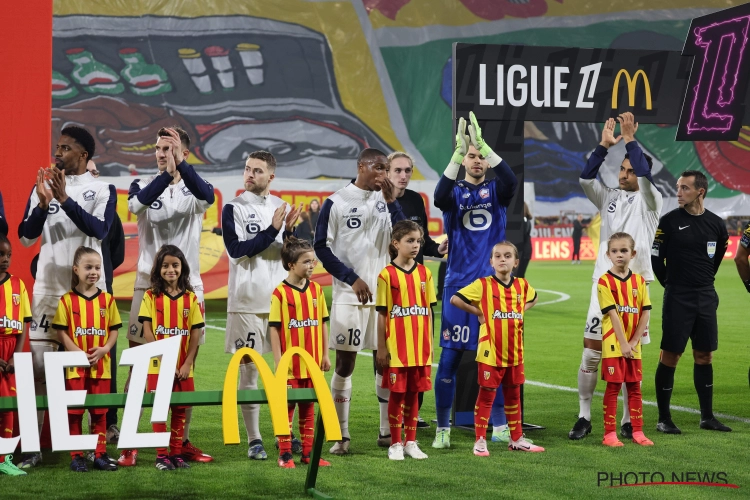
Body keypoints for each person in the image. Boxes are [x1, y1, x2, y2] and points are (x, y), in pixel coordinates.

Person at [18, 126, 115, 468]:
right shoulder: (42, 187)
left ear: (84, 155)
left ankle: (93, 448)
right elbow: (27, 237)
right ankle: (32, 449)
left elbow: (100, 230)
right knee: (37, 370)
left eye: (66, 148)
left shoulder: (103, 189)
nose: (57, 153)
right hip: (47, 289)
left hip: (87, 296)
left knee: (89, 373)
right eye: (56, 147)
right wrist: (44, 206)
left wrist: (65, 200)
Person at [120, 127, 215, 466]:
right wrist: (167, 173)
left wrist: (181, 170)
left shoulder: (195, 189)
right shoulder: (142, 185)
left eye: (169, 149)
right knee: (138, 366)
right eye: (159, 149)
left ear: (183, 153)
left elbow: (209, 197)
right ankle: (129, 443)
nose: (161, 154)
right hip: (147, 286)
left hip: (190, 290)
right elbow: (136, 206)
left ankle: (181, 441)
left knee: (185, 369)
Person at [570, 113, 663, 441]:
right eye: (621, 169)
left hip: (637, 290)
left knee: (630, 355)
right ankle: (583, 415)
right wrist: (603, 147)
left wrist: (630, 139)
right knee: (592, 351)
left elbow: (647, 178)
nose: (623, 174)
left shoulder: (652, 201)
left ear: (640, 174)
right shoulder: (608, 197)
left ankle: (627, 420)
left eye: (629, 170)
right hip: (604, 285)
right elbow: (585, 178)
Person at [433, 112, 518, 449]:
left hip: (491, 291)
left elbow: (511, 181)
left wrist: (487, 146)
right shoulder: (453, 193)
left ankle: (498, 426)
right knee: (450, 360)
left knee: (493, 362)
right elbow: (438, 196)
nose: (478, 160)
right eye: (471, 155)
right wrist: (454, 157)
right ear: (463, 160)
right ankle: (443, 429)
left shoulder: (497, 191)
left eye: (481, 155)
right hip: (457, 286)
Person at [314, 148, 404, 455]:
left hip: (383, 297)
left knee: (385, 362)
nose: (383, 173)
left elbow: (405, 235)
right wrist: (351, 278)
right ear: (361, 166)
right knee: (345, 363)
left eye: (386, 168)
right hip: (348, 297)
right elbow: (321, 248)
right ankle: (342, 435)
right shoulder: (336, 202)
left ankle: (386, 431)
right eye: (379, 167)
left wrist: (393, 203)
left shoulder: (386, 200)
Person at [222, 150, 301, 461]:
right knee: (250, 374)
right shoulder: (233, 208)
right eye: (247, 169)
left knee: (287, 371)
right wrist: (272, 230)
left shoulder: (279, 206)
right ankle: (255, 439)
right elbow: (236, 251)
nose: (249, 174)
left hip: (280, 303)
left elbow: (287, 256)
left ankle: (286, 432)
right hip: (246, 304)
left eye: (257, 170)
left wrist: (291, 233)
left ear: (271, 176)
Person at [651, 170, 730, 434]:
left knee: (705, 355)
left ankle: (707, 417)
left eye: (685, 188)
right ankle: (664, 418)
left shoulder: (716, 224)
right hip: (678, 296)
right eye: (678, 187)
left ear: (700, 192)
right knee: (671, 355)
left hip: (706, 295)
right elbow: (655, 260)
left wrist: (704, 283)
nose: (679, 192)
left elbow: (716, 257)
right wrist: (672, 286)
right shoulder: (669, 221)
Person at [450, 241, 543, 456]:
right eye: (498, 256)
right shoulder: (483, 284)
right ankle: (480, 441)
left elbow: (535, 298)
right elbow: (456, 299)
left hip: (515, 351)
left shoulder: (522, 285)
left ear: (516, 262)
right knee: (487, 394)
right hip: (490, 351)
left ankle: (517, 439)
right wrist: (479, 313)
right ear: (491, 262)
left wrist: (521, 309)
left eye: (508, 256)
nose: (503, 259)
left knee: (513, 395)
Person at [379, 151, 447, 437]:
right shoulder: (375, 198)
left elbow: (424, 241)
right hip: (390, 281)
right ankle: (388, 427)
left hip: (416, 284)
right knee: (388, 357)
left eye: (407, 170)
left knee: (417, 358)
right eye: (397, 170)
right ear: (387, 171)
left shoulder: (417, 200)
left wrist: (437, 249)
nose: (403, 175)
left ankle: (412, 420)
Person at [51, 246, 121, 472]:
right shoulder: (67, 300)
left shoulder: (108, 300)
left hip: (101, 366)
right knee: (75, 412)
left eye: (97, 267)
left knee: (99, 412)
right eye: (88, 267)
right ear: (76, 269)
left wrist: (105, 349)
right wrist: (75, 353)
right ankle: (77, 455)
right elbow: (61, 332)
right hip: (75, 368)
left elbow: (113, 330)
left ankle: (99, 453)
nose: (94, 272)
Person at [138, 245, 204, 470]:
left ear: (182, 268)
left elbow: (195, 333)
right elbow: (147, 331)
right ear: (158, 269)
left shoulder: (191, 298)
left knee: (180, 409)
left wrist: (187, 363)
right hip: (159, 365)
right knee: (160, 409)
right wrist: (163, 359)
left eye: (175, 265)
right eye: (165, 266)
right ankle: (161, 456)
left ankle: (176, 453)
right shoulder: (150, 296)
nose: (170, 270)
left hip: (184, 367)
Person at [375, 220, 436, 461]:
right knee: (397, 395)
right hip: (397, 348)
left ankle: (411, 441)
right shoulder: (386, 275)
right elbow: (382, 314)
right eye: (410, 240)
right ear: (396, 243)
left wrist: (429, 344)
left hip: (420, 348)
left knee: (414, 394)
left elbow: (429, 311)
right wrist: (381, 347)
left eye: (418, 241)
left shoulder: (425, 273)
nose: (416, 245)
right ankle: (395, 443)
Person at [269, 237, 332, 469]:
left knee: (308, 409)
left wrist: (325, 355)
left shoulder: (316, 290)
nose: (311, 265)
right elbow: (274, 329)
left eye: (313, 261)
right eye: (306, 261)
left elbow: (323, 324)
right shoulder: (280, 293)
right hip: (290, 366)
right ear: (291, 265)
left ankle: (308, 454)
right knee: (286, 409)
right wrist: (279, 361)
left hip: (313, 364)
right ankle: (285, 454)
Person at [597, 233, 653, 447]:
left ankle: (638, 431)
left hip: (633, 344)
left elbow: (645, 313)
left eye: (624, 250)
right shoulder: (605, 281)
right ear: (608, 254)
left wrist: (634, 341)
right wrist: (623, 343)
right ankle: (609, 434)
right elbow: (612, 314)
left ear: (633, 253)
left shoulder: (639, 281)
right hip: (614, 344)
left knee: (635, 387)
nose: (619, 255)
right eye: (614, 251)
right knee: (613, 387)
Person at [86, 160, 125, 443]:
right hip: (68, 294)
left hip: (101, 294)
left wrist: (102, 272)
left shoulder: (108, 210)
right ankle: (68, 424)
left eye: (92, 170)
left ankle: (109, 423)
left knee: (105, 358)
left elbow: (117, 252)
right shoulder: (60, 208)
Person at [0, 234, 31, 476]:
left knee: (9, 407)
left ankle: (4, 458)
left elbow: (23, 326)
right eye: (1, 254)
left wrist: (15, 357)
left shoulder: (18, 285)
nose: (5, 259)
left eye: (8, 255)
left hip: (10, 353)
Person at [516, 203, 533, 278]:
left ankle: (524, 289)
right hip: (525, 251)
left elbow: (521, 237)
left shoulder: (523, 221)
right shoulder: (526, 220)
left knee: (518, 275)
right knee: (519, 275)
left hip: (523, 252)